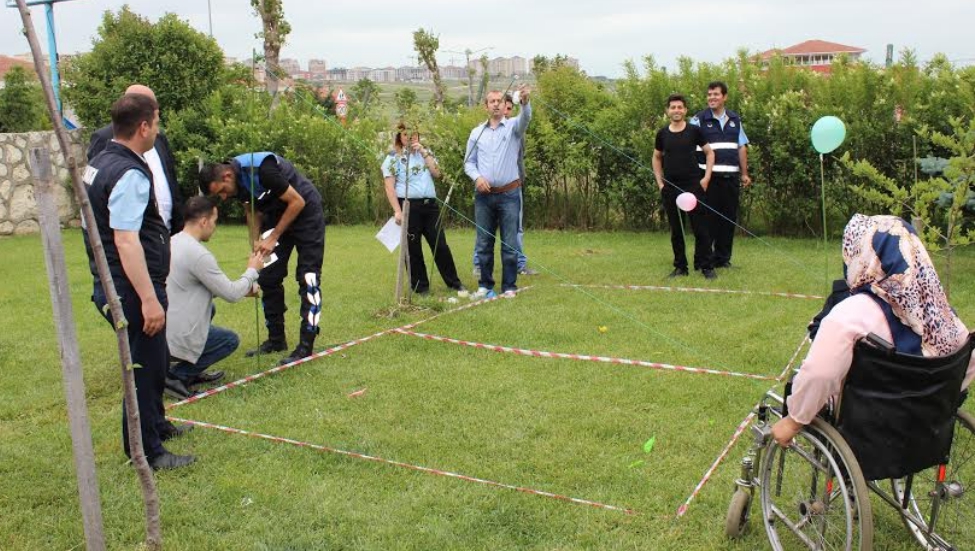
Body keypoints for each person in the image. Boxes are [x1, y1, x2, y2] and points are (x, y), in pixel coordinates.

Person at [771, 214, 975, 447]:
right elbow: (967, 362)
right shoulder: (940, 313)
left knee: (805, 380)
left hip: (868, 428)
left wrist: (794, 421)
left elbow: (820, 374)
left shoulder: (850, 314)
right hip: (924, 426)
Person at [83, 93, 194, 470]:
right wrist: (148, 298)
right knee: (143, 369)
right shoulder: (129, 172)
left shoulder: (100, 162)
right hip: (131, 287)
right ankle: (146, 452)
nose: (158, 130)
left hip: (115, 280)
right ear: (143, 127)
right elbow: (126, 240)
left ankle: (158, 424)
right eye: (157, 123)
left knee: (156, 360)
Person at [199, 153, 325, 366]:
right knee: (267, 276)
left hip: (306, 213)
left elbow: (297, 201)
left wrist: (273, 237)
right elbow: (252, 212)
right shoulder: (237, 184)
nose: (223, 197)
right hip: (277, 218)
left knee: (308, 277)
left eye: (221, 191)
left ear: (227, 176)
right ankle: (276, 340)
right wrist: (256, 247)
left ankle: (306, 344)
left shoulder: (264, 170)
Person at [167, 196, 264, 389]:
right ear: (204, 221)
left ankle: (189, 367)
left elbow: (198, 287)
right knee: (228, 340)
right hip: (175, 338)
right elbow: (231, 294)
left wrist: (244, 289)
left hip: (162, 331)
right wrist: (252, 270)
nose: (215, 226)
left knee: (209, 308)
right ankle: (176, 376)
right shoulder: (198, 254)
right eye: (214, 221)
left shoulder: (173, 242)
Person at [87, 84, 183, 236]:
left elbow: (170, 179)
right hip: (132, 236)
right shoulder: (104, 139)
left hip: (166, 234)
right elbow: (103, 188)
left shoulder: (159, 138)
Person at [382, 123, 465, 296]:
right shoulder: (393, 157)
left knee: (440, 245)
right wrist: (397, 211)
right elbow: (389, 187)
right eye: (406, 134)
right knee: (413, 248)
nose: (410, 137)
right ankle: (421, 287)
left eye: (413, 134)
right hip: (408, 206)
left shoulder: (425, 154)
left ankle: (454, 283)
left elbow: (437, 173)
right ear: (400, 137)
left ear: (418, 136)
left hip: (430, 206)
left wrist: (424, 152)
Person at [465, 85, 532, 299]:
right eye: (492, 101)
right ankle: (485, 285)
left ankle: (509, 286)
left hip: (509, 195)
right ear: (486, 106)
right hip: (484, 197)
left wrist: (525, 102)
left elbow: (526, 118)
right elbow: (468, 163)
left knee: (510, 243)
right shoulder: (477, 132)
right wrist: (478, 177)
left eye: (499, 101)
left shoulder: (513, 128)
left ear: (505, 106)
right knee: (484, 242)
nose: (496, 104)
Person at [652, 94, 716, 279]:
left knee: (701, 229)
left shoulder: (694, 131)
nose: (676, 110)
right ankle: (681, 267)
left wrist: (706, 179)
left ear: (685, 110)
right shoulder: (662, 134)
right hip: (671, 187)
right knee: (676, 230)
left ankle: (706, 267)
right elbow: (656, 157)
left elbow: (709, 153)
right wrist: (660, 183)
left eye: (680, 107)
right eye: (673, 107)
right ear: (667, 111)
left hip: (694, 186)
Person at [690, 81, 751, 268]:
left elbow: (741, 147)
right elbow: (689, 147)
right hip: (708, 180)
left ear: (724, 97)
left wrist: (744, 173)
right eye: (709, 94)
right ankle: (704, 260)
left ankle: (722, 259)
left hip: (731, 179)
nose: (711, 98)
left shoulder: (735, 120)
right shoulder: (698, 120)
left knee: (727, 220)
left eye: (715, 94)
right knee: (707, 221)